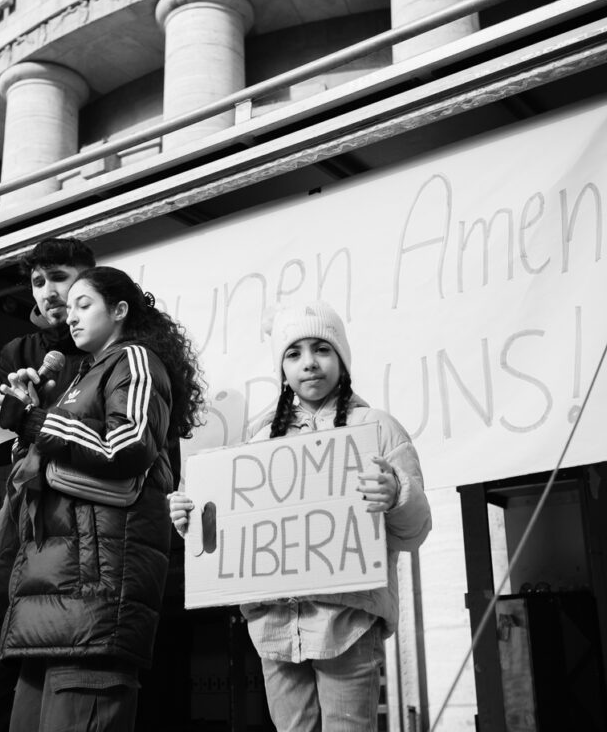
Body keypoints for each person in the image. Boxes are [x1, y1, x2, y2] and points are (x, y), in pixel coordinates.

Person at [168, 301, 431, 732]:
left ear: (342, 361)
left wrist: (397, 493)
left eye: (322, 349)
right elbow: (233, 530)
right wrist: (191, 520)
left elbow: (414, 531)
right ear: (283, 369)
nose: (309, 363)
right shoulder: (256, 437)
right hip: (272, 627)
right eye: (294, 354)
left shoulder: (378, 429)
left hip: (347, 623)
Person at [0, 266, 204, 732]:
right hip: (47, 598)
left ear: (120, 310)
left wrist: (35, 423)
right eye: (67, 310)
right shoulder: (77, 378)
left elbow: (125, 445)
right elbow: (47, 464)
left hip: (94, 596)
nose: (70, 318)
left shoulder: (135, 361)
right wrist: (29, 416)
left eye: (83, 305)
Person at [0, 238, 95, 732]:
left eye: (58, 277)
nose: (48, 292)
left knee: (60, 672)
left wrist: (41, 418)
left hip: (81, 523)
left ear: (88, 278)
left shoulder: (113, 349)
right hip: (19, 521)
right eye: (38, 283)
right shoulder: (17, 351)